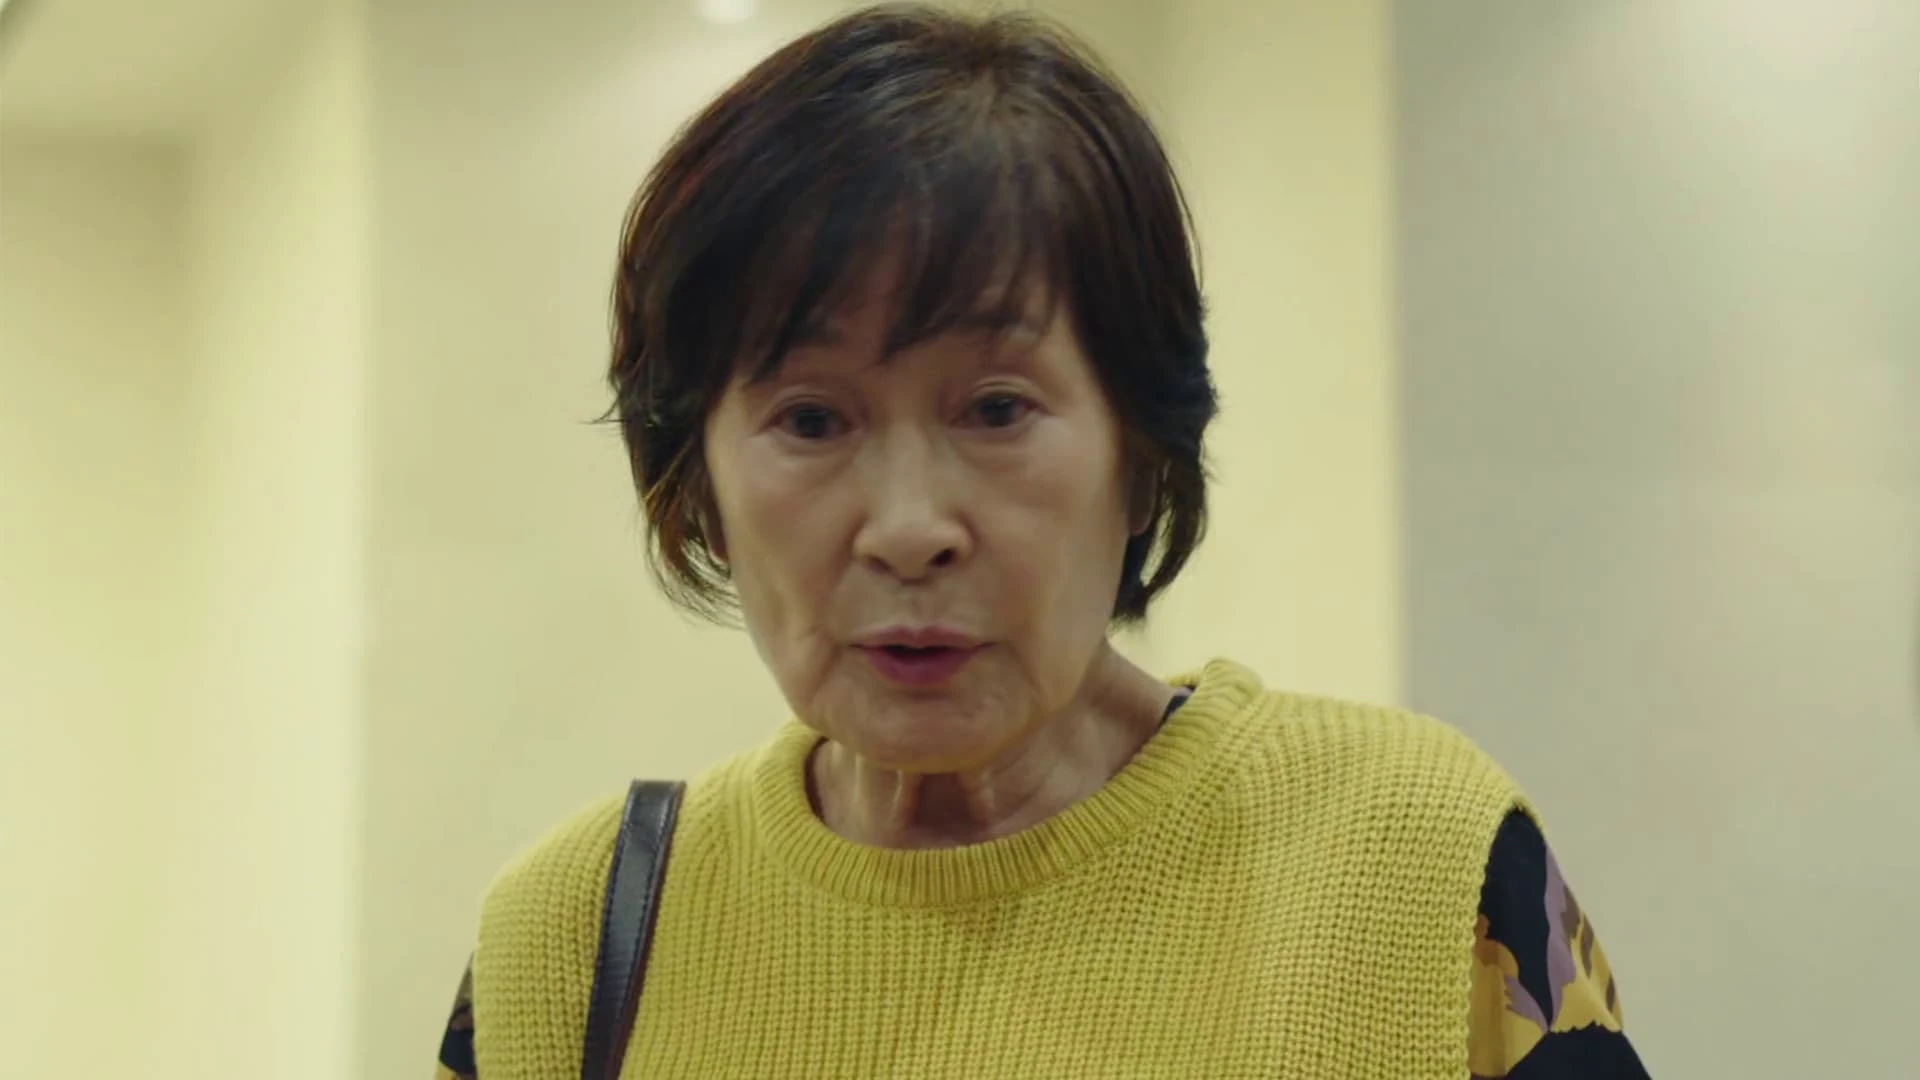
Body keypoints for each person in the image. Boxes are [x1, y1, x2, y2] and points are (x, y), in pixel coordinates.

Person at [434, 5, 1649, 1078]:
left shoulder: (1415, 865)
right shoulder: (569, 943)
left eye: (997, 409)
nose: (910, 529)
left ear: (1144, 451)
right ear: (695, 481)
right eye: (811, 420)